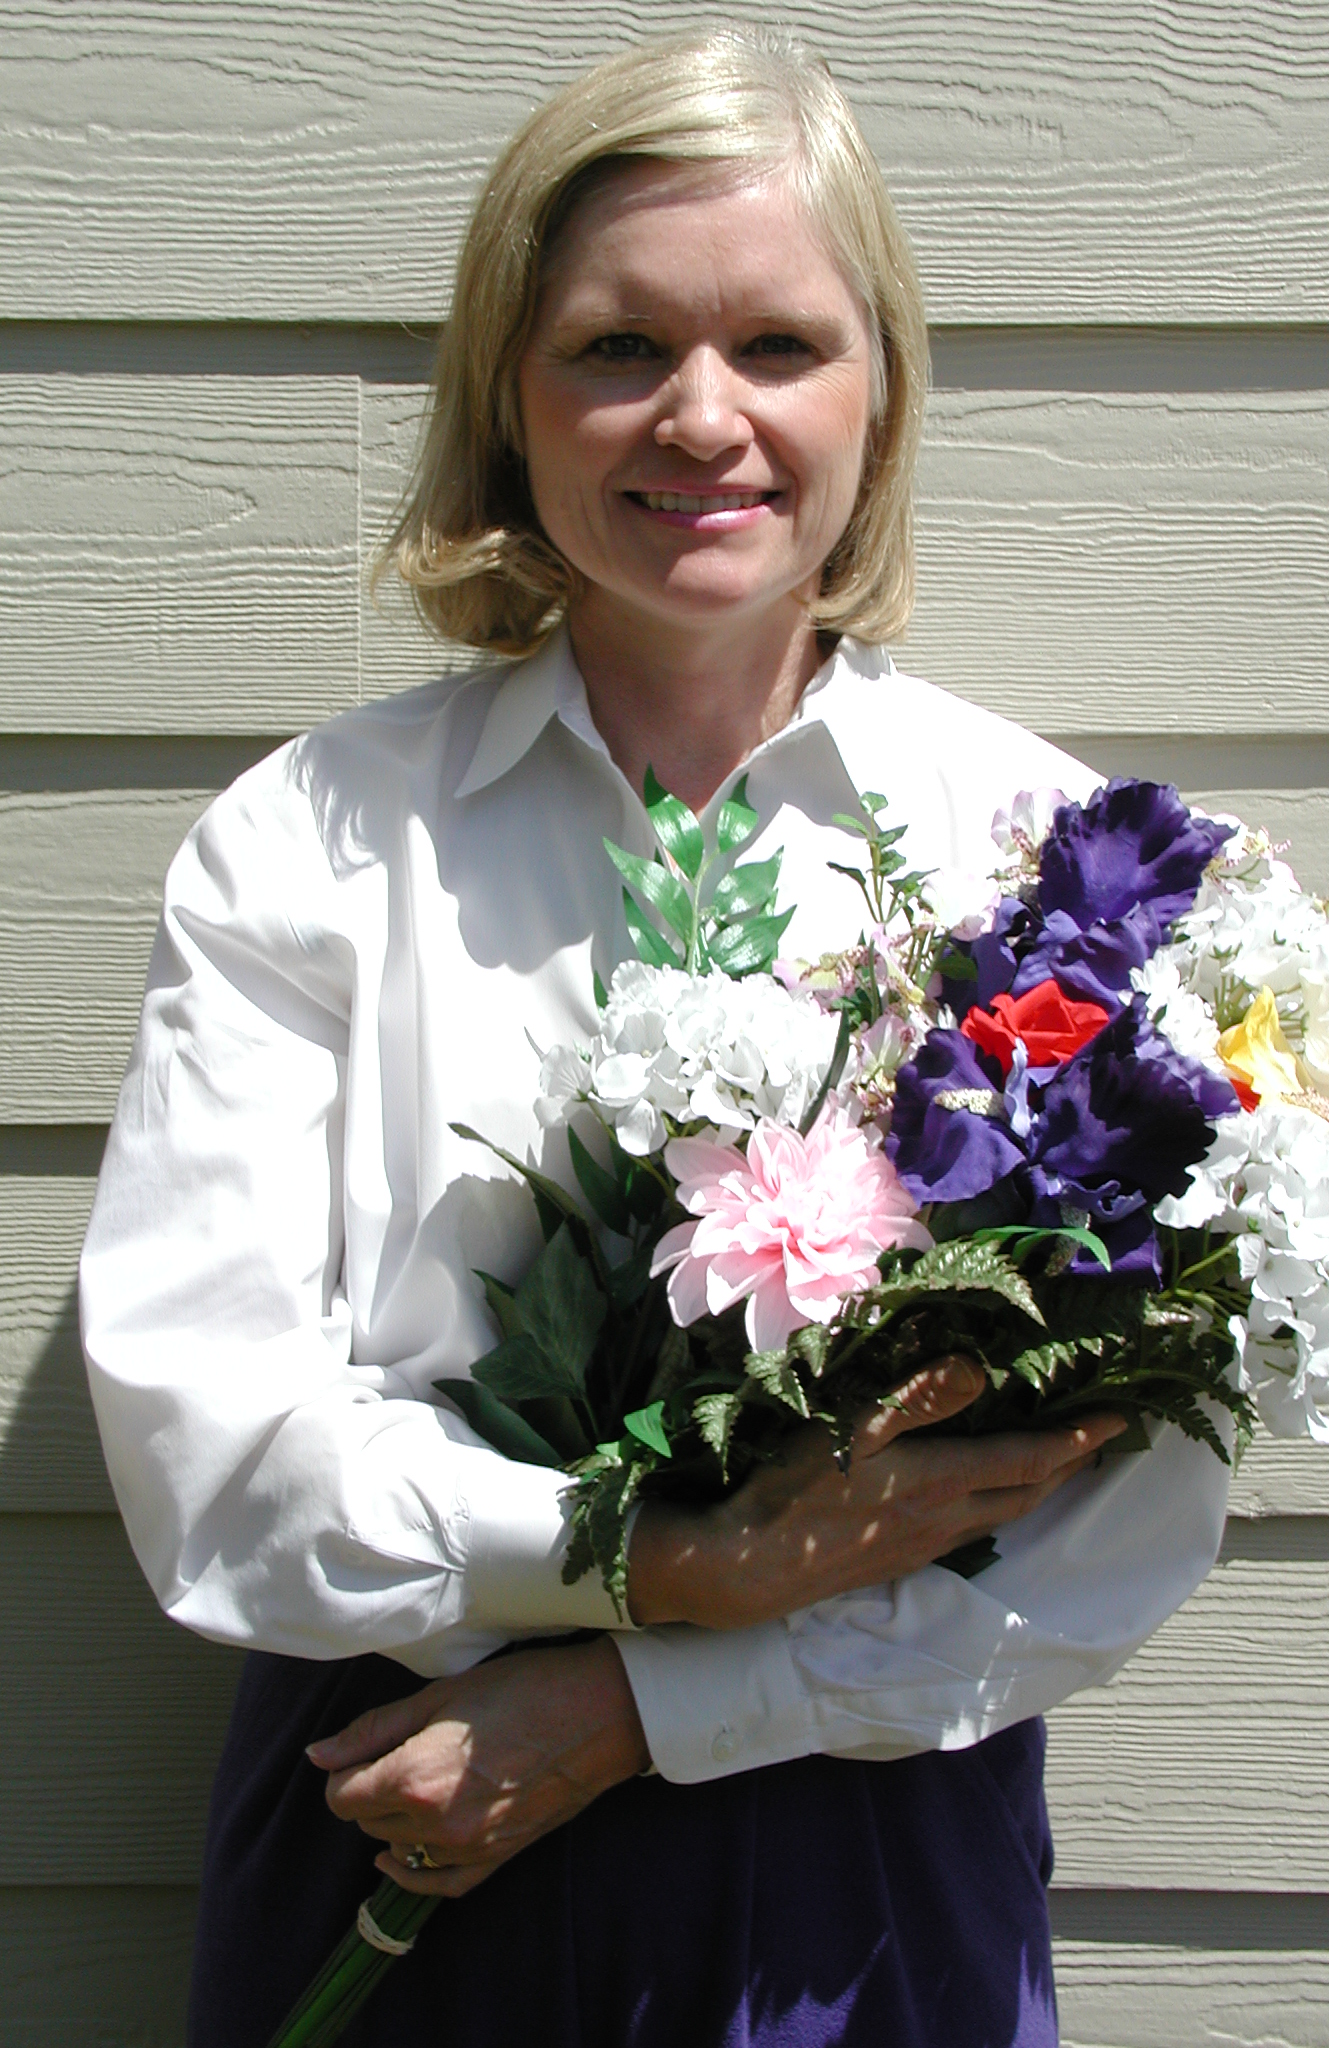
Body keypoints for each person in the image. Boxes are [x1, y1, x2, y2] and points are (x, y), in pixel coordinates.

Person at [79, 29, 1229, 2048]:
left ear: (880, 391)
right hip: (404, 1805)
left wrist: (638, 1700)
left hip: (865, 1858)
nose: (704, 416)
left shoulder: (1045, 859)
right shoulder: (315, 843)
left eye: (779, 345)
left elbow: (1117, 1523)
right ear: (505, 400)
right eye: (618, 347)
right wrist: (663, 1564)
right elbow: (216, 1453)